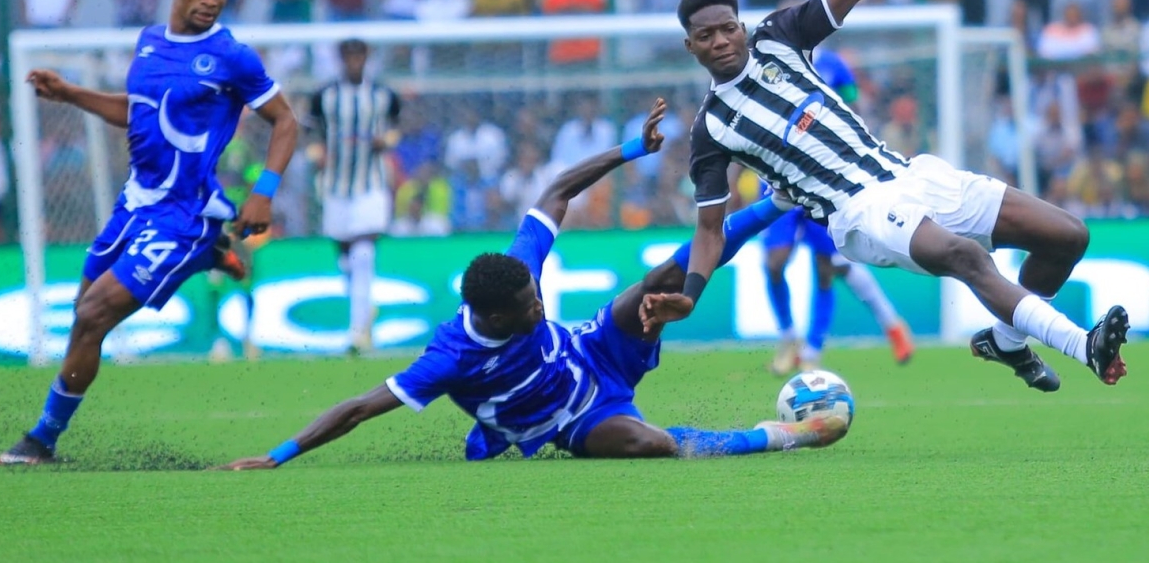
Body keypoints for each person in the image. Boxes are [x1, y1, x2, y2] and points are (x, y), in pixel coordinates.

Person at [653, 0, 1129, 397]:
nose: (721, 41)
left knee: (1067, 236)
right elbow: (709, 231)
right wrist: (690, 293)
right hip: (857, 212)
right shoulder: (712, 128)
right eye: (706, 37)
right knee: (965, 256)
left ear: (741, 26)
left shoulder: (778, 37)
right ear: (690, 46)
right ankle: (1085, 345)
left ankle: (1008, 343)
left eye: (728, 28)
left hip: (908, 174)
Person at [218, 100, 847, 469]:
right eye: (528, 306)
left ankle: (775, 203)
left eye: (535, 294)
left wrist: (631, 148)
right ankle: (778, 435)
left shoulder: (516, 267)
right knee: (645, 444)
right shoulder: (446, 359)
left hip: (592, 350)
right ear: (492, 317)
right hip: (570, 418)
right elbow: (357, 409)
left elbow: (556, 191)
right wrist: (276, 455)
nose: (538, 303)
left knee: (660, 278)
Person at [0, 0, 299, 465]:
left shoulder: (231, 55)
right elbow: (137, 110)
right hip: (135, 204)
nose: (210, 0)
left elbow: (286, 121)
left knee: (92, 315)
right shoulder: (149, 41)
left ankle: (41, 440)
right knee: (81, 315)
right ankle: (210, 254)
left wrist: (264, 192)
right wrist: (70, 94)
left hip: (183, 214)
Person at [761, 49, 913, 374]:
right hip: (779, 176)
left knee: (829, 265)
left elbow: (852, 102)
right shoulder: (768, 65)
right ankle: (789, 337)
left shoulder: (833, 64)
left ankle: (812, 350)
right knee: (775, 262)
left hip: (823, 177)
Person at [310, 39, 400, 353]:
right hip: (335, 186)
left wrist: (386, 140)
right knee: (347, 259)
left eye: (358, 56)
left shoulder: (382, 95)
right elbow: (313, 132)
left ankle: (358, 331)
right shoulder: (325, 96)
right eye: (348, 56)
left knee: (364, 254)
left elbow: (396, 128)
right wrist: (316, 154)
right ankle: (363, 309)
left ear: (366, 57)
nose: (353, 62)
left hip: (371, 184)